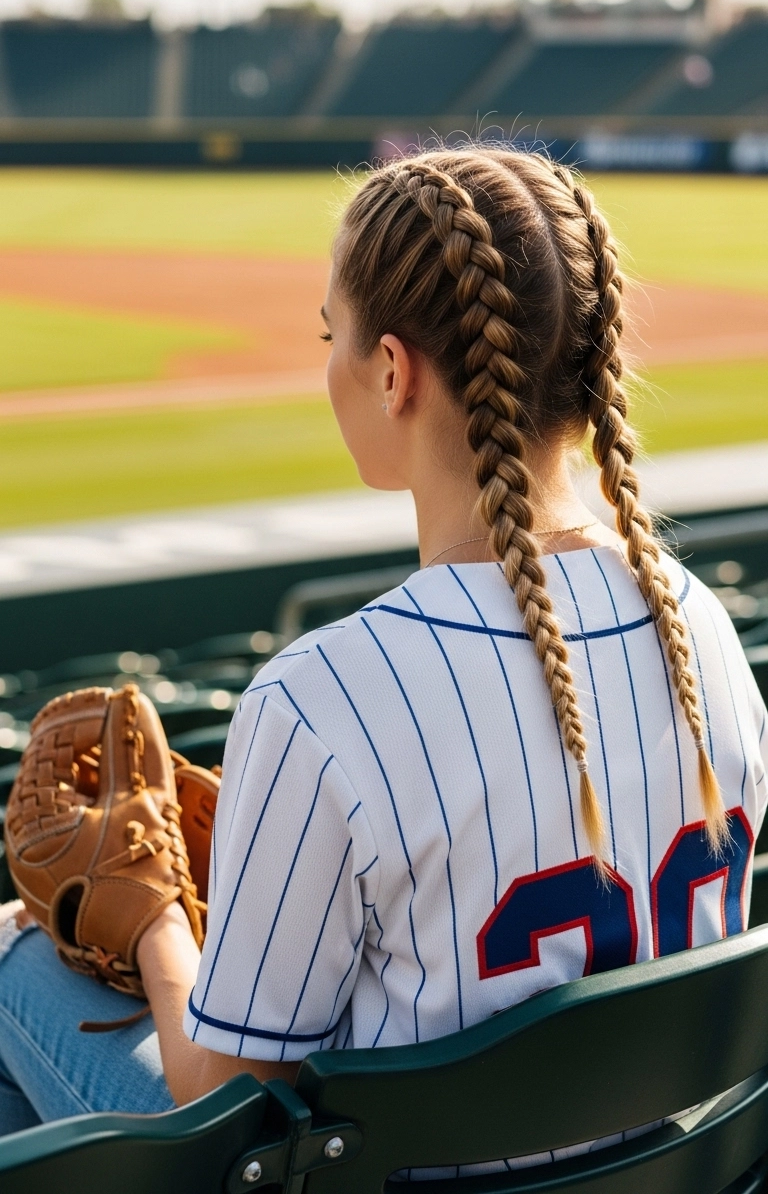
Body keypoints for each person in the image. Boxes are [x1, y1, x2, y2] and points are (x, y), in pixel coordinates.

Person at [0, 148, 764, 1169]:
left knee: (14, 958)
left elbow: (226, 1105)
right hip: (671, 1171)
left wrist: (150, 928)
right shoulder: (701, 626)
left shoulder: (323, 700)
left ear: (395, 371)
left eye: (334, 335)